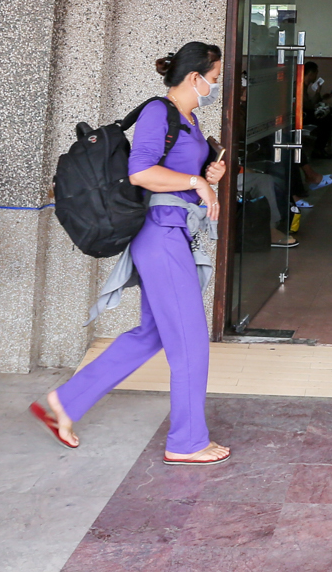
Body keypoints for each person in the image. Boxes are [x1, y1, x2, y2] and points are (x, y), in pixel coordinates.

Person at [31, 41, 230, 464]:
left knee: (152, 334)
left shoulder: (189, 119)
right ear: (195, 77)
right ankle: (187, 442)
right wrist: (196, 183)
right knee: (191, 342)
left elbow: (176, 173)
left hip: (175, 233)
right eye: (214, 79)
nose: (216, 86)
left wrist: (207, 173)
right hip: (160, 235)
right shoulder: (159, 112)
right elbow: (140, 172)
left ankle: (67, 401)